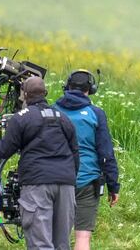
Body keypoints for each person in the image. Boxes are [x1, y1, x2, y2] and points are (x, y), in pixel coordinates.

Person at [0, 76, 79, 250]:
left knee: (40, 244)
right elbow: (75, 154)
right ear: (45, 93)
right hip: (66, 184)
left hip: (37, 184)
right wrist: (70, 178)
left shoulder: (21, 118)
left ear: (24, 95)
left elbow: (4, 150)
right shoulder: (63, 118)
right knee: (62, 244)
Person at [54, 69, 120, 250]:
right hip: (87, 180)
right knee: (83, 237)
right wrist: (113, 186)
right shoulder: (96, 114)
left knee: (57, 235)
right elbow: (106, 153)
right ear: (91, 89)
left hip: (56, 179)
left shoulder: (52, 110)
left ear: (66, 87)